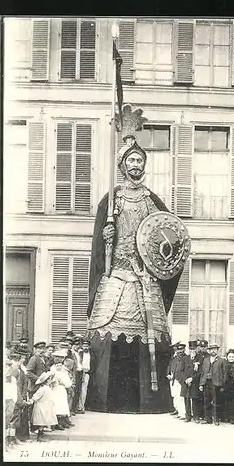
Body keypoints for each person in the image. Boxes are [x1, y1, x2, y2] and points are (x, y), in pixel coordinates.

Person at [85, 118, 184, 414]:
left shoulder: (153, 201)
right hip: (116, 276)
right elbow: (99, 246)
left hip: (144, 280)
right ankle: (103, 401)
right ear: (123, 165)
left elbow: (170, 235)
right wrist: (107, 236)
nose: (137, 164)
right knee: (106, 333)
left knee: (149, 341)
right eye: (132, 159)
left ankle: (149, 403)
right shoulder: (111, 198)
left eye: (141, 159)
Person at [199, 343, 227, 425]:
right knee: (206, 401)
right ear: (209, 351)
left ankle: (216, 419)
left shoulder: (222, 361)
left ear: (218, 350)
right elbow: (203, 373)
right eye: (212, 349)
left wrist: (223, 385)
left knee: (216, 402)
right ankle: (208, 419)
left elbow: (224, 374)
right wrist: (201, 384)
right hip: (206, 382)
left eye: (215, 349)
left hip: (216, 384)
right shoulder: (206, 360)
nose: (213, 351)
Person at [27, 371, 58, 442]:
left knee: (44, 421)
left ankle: (41, 435)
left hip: (46, 406)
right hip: (41, 407)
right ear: (46, 381)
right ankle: (39, 437)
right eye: (50, 379)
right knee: (41, 422)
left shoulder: (47, 388)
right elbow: (36, 396)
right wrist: (31, 401)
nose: (51, 381)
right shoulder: (42, 389)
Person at [8, 352, 30, 443]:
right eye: (16, 361)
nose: (18, 363)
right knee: (14, 418)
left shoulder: (21, 371)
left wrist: (24, 395)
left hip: (21, 395)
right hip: (14, 396)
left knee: (20, 417)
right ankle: (12, 438)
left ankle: (20, 437)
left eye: (19, 360)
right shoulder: (12, 372)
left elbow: (24, 384)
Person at [50, 350, 73, 429]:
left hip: (62, 389)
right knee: (55, 405)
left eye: (60, 358)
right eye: (56, 357)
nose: (58, 359)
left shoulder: (64, 369)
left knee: (62, 405)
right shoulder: (52, 368)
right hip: (54, 389)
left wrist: (64, 383)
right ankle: (56, 423)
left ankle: (62, 421)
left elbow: (68, 382)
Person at [183, 341, 203, 423]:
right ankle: (188, 416)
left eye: (194, 349)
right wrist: (186, 379)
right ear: (188, 349)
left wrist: (192, 379)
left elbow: (200, 371)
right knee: (186, 399)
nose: (192, 351)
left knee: (195, 399)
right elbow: (181, 370)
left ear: (196, 349)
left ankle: (196, 416)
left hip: (194, 382)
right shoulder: (185, 358)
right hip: (186, 382)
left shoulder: (200, 358)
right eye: (190, 349)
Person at [76, 339, 96, 414]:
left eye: (87, 346)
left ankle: (81, 407)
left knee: (84, 391)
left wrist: (89, 372)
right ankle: (76, 407)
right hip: (79, 373)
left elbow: (94, 365)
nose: (85, 348)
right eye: (84, 346)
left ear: (89, 346)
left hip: (87, 373)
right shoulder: (79, 353)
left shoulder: (92, 354)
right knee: (77, 389)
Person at [173, 343, 188, 419]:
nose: (180, 351)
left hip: (182, 380)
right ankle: (180, 412)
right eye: (179, 349)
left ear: (184, 349)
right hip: (175, 380)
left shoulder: (186, 358)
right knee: (177, 397)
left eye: (182, 349)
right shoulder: (176, 358)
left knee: (182, 397)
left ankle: (184, 413)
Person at [224, 349, 234, 424]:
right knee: (226, 402)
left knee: (233, 403)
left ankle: (233, 418)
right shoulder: (225, 365)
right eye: (229, 356)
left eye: (233, 356)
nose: (231, 358)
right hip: (226, 386)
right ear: (227, 357)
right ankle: (226, 417)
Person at [166, 341, 181, 415]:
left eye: (175, 346)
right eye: (174, 347)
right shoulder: (173, 356)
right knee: (174, 394)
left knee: (178, 394)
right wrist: (168, 374)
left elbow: (178, 368)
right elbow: (170, 365)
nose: (174, 348)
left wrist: (173, 375)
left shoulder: (180, 357)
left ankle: (180, 410)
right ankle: (176, 408)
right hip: (172, 378)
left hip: (177, 378)